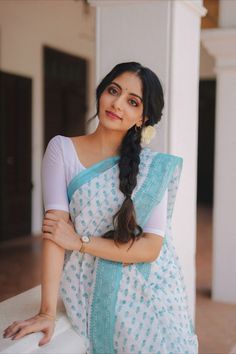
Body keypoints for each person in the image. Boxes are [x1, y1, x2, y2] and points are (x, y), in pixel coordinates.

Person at [3, 62, 198, 354]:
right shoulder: (62, 150)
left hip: (154, 291)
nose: (117, 104)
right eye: (113, 91)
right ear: (101, 92)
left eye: (132, 102)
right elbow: (55, 233)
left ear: (143, 118)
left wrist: (79, 242)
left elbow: (151, 249)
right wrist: (46, 311)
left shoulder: (150, 168)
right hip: (89, 287)